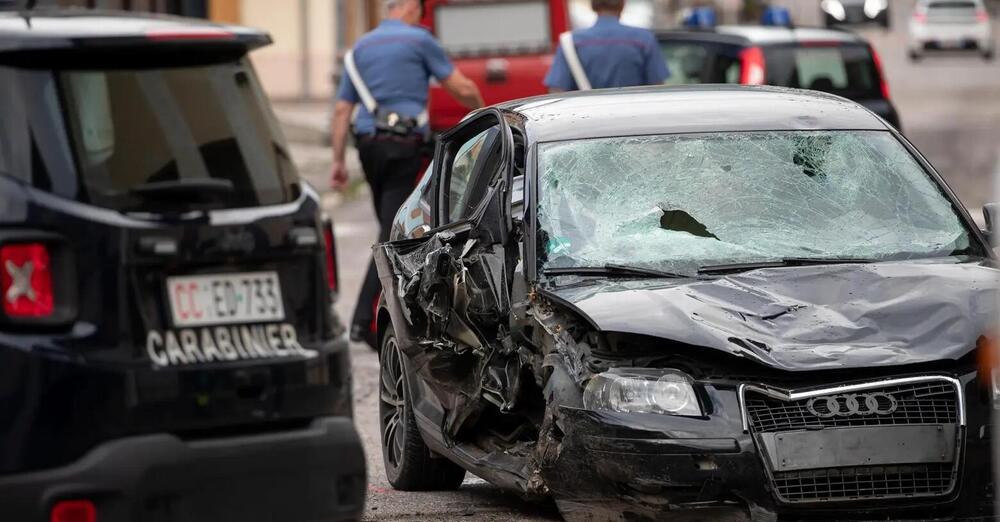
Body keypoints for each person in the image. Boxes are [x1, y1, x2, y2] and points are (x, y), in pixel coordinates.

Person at [330, 0, 483, 345]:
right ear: (410, 7)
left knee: (386, 220)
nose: (421, 14)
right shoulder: (419, 40)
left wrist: (337, 162)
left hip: (368, 147)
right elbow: (461, 87)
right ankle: (364, 321)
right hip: (404, 147)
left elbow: (342, 111)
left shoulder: (360, 49)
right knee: (391, 233)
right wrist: (484, 112)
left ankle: (374, 315)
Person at [544, 0, 669, 92]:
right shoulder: (644, 39)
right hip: (634, 121)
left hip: (587, 122)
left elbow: (556, 89)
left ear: (593, 6)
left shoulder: (570, 42)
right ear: (622, 5)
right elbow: (657, 88)